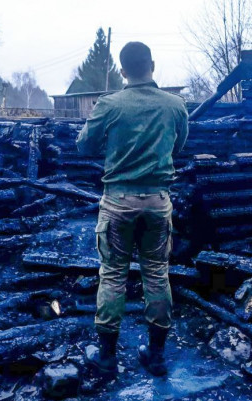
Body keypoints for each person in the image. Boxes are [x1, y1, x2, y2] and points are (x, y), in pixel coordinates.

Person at [76, 41, 189, 377]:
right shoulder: (175, 106)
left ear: (122, 71)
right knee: (157, 273)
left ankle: (108, 358)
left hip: (118, 202)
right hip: (158, 201)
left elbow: (84, 146)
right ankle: (156, 357)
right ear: (152, 64)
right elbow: (178, 146)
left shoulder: (110, 104)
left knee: (112, 275)